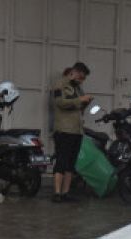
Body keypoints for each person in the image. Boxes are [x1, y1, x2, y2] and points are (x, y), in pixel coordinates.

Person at [51, 62, 92, 203]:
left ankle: (65, 193)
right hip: (64, 129)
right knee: (61, 161)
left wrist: (86, 102)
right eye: (80, 77)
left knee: (71, 163)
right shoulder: (60, 84)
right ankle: (57, 193)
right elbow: (60, 103)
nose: (81, 81)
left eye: (83, 79)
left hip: (77, 130)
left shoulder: (78, 88)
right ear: (73, 72)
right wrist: (79, 99)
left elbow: (79, 107)